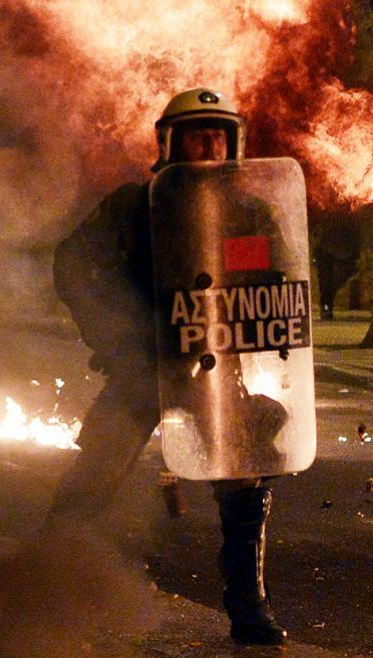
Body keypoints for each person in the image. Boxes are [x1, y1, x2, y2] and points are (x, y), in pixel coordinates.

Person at [47, 88, 290, 648]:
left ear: (234, 144)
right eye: (195, 136)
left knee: (246, 475)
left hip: (214, 370)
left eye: (216, 137)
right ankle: (44, 574)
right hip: (144, 367)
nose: (206, 148)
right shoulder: (135, 206)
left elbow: (275, 283)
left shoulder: (249, 213)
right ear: (168, 143)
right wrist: (116, 336)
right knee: (97, 470)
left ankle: (249, 605)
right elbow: (73, 263)